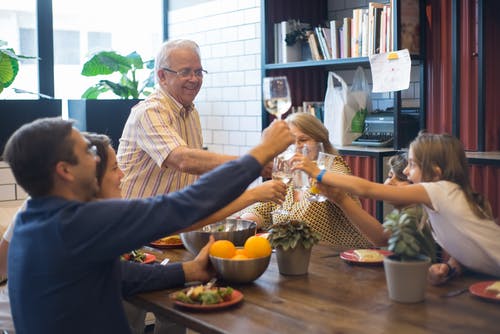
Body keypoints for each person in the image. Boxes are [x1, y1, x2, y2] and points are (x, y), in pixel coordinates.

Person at [3, 117, 293, 334]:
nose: (97, 160)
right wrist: (261, 153)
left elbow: (119, 276)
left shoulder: (33, 217)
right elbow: (185, 205)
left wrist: (187, 270)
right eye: (88, 152)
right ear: (64, 170)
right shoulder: (76, 223)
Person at [293, 132, 500, 283]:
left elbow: (366, 189)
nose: (407, 171)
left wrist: (317, 172)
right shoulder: (443, 199)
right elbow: (468, 244)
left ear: (435, 172)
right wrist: (451, 267)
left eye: (412, 164)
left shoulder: (439, 190)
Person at [118, 39, 246, 199]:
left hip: (173, 218)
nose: (194, 79)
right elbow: (184, 160)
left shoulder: (191, 112)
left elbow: (192, 176)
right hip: (137, 220)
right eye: (185, 72)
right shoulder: (149, 111)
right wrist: (251, 163)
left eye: (198, 72)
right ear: (162, 76)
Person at [241, 112, 372, 249]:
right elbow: (267, 207)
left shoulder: (331, 166)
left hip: (344, 258)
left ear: (320, 141)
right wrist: (246, 220)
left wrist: (315, 172)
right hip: (303, 259)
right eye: (291, 142)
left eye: (303, 140)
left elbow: (342, 182)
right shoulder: (290, 173)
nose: (297, 146)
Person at [320, 154, 413, 246]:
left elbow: (383, 239)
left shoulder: (417, 214)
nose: (389, 183)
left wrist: (340, 198)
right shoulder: (400, 213)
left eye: (400, 179)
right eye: (389, 176)